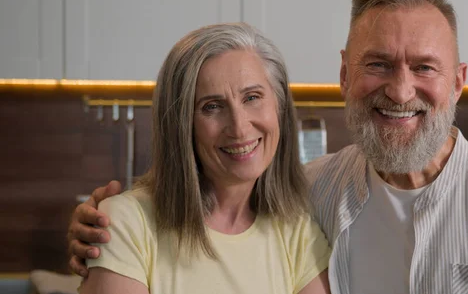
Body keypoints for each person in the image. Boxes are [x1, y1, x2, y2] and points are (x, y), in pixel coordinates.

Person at [68, 0, 468, 294]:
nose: (400, 91)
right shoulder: (306, 194)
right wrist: (105, 223)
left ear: (459, 81)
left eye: (424, 67)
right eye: (377, 64)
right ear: (344, 75)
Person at [76, 23, 331, 294]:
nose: (239, 127)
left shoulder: (298, 231)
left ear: (278, 106)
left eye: (252, 97)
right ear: (181, 125)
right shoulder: (126, 223)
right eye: (212, 107)